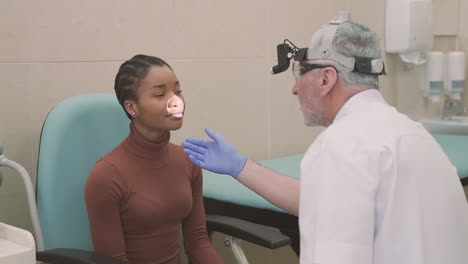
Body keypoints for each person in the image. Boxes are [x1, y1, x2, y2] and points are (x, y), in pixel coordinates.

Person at [182, 13, 468, 264]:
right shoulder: (415, 136)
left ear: (326, 79)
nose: (295, 88)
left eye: (300, 72)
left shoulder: (341, 147)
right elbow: (326, 199)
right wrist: (240, 166)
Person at [85, 55, 223, 264]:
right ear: (133, 108)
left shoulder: (187, 160)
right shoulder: (106, 175)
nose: (176, 101)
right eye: (160, 94)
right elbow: (114, 260)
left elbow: (197, 241)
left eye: (177, 91)